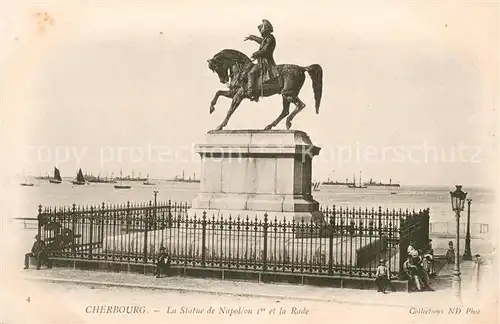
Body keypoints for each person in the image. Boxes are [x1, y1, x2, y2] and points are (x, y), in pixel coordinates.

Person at [244, 19, 277, 101]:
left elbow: (265, 51)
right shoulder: (267, 38)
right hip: (262, 61)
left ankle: (251, 92)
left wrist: (255, 54)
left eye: (261, 31)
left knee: (251, 73)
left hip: (265, 62)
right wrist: (252, 37)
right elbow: (261, 41)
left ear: (265, 30)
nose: (261, 33)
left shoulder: (269, 39)